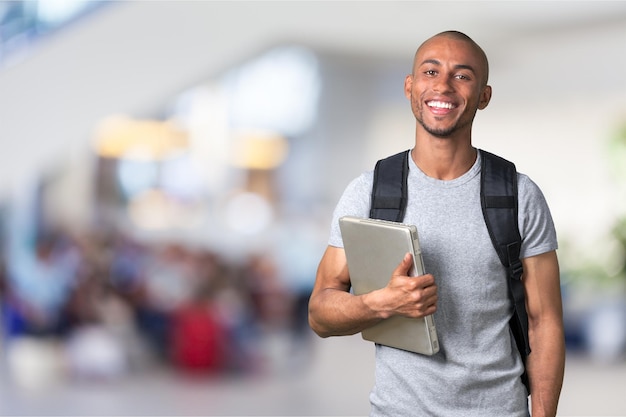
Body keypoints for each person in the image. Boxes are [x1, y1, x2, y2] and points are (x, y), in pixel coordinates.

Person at [308, 31, 565, 417]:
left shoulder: (518, 195)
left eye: (462, 75)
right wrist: (379, 303)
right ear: (411, 87)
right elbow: (320, 313)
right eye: (430, 71)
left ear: (484, 96)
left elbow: (544, 322)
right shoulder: (369, 192)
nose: (442, 85)